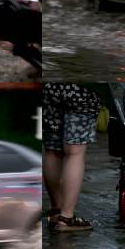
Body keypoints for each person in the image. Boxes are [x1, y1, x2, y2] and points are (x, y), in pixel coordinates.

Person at [43, 83, 101, 232]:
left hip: (50, 87)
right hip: (79, 90)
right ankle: (66, 218)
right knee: (75, 152)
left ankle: (56, 211)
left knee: (52, 150)